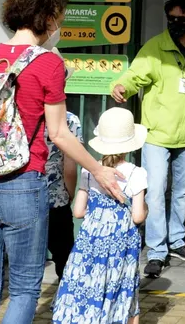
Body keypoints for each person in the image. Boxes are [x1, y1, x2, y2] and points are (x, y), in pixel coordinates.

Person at [0, 0, 124, 324]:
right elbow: (59, 133)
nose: (59, 27)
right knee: (22, 290)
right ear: (48, 19)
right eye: (59, 19)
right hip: (22, 183)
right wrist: (98, 169)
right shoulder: (48, 64)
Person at [110, 0, 185, 276]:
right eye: (171, 18)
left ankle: (177, 240)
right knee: (155, 193)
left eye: (180, 19)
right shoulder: (155, 48)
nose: (175, 23)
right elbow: (134, 75)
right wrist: (121, 86)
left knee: (182, 193)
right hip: (157, 136)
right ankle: (157, 251)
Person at [52, 106, 150, 324]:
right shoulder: (137, 174)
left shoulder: (89, 171)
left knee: (88, 285)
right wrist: (145, 209)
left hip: (90, 240)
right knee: (124, 288)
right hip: (121, 245)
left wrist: (99, 216)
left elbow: (78, 212)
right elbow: (137, 217)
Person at [44, 107, 84, 280]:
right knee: (64, 257)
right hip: (57, 199)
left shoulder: (22, 113)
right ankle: (65, 299)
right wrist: (69, 192)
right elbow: (69, 165)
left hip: (24, 197)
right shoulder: (68, 119)